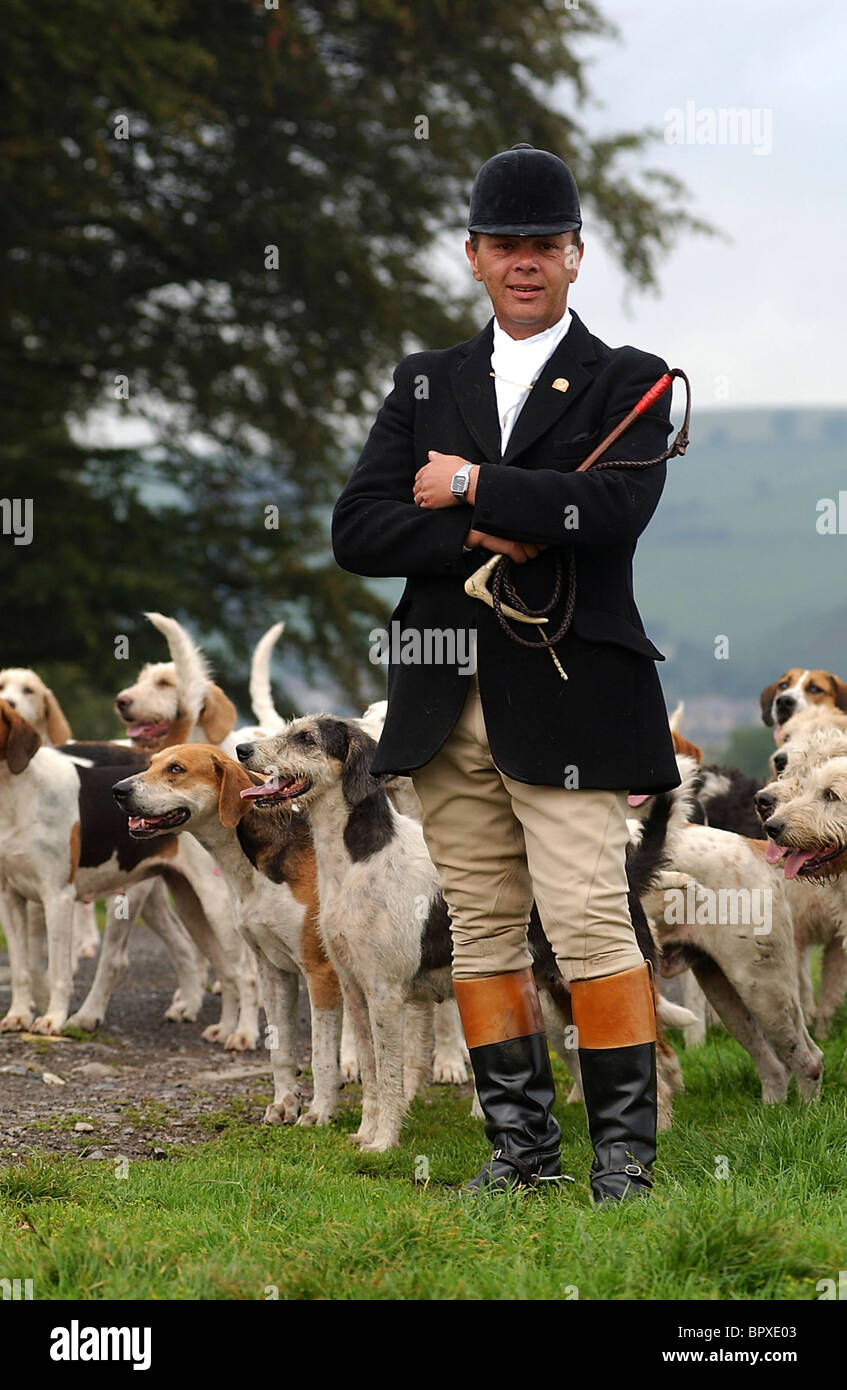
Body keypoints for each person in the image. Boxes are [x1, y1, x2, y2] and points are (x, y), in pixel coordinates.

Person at [332, 143, 681, 1203]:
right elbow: (360, 527)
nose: (523, 262)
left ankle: (623, 1156)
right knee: (482, 927)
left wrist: (471, 483)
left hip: (573, 688)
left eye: (543, 245)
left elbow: (612, 511)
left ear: (575, 255)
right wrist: (494, 531)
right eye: (504, 246)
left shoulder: (631, 379)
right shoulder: (423, 379)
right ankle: (520, 1153)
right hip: (443, 690)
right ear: (472, 256)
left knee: (583, 917)